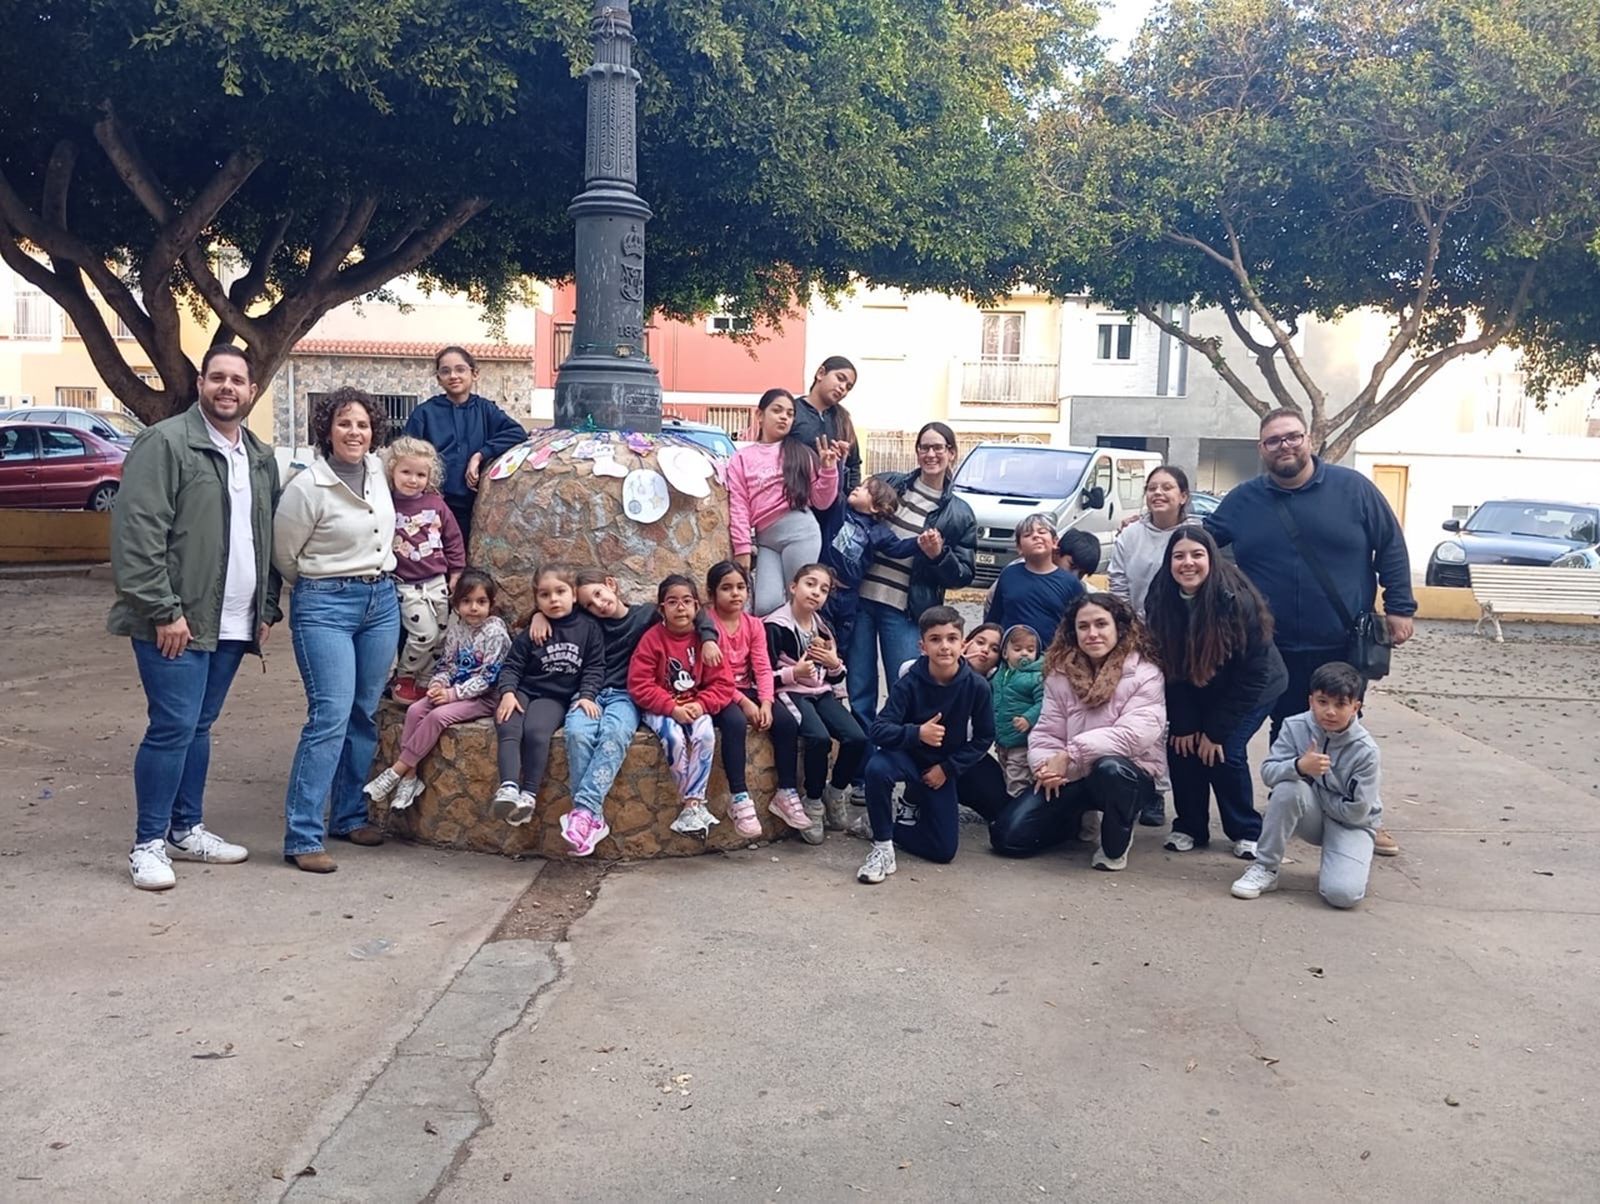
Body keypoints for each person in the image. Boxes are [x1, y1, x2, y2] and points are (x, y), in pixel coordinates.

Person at [1205, 406, 1415, 857]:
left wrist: (1400, 606)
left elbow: (1391, 546)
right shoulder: (1243, 500)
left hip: (1340, 643)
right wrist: (1150, 526)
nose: (1285, 446)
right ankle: (1291, 814)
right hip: (1269, 648)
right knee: (1287, 735)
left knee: (1345, 730)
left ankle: (1363, 818)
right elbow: (1201, 544)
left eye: (1292, 437)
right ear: (1262, 450)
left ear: (1309, 440)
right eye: (1273, 441)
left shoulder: (1353, 489)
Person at [109, 344, 281, 891]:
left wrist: (265, 607)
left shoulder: (258, 455)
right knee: (173, 727)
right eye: (217, 378)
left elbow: (267, 536)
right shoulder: (164, 443)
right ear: (201, 384)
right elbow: (137, 536)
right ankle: (148, 844)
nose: (227, 387)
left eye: (238, 380)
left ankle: (186, 829)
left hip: (232, 620)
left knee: (199, 727)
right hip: (176, 620)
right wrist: (163, 610)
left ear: (252, 391)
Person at [274, 387, 401, 872]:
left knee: (362, 713)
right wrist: (324, 584)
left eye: (364, 424)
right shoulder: (308, 487)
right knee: (328, 716)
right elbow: (285, 554)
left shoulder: (376, 472)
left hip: (381, 600)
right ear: (327, 429)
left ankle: (348, 816)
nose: (355, 432)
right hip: (325, 604)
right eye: (345, 423)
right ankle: (303, 835)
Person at [988, 593, 1167, 871]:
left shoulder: (1144, 673)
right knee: (1008, 837)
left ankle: (1117, 835)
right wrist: (1046, 768)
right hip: (1071, 775)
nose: (1092, 633)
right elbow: (1046, 730)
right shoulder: (1060, 673)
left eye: (1101, 624)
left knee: (1111, 769)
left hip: (1126, 775)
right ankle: (1069, 823)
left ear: (1118, 627)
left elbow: (1134, 734)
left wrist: (1069, 754)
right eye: (1083, 626)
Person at [846, 421, 977, 791]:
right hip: (861, 600)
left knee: (908, 690)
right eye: (925, 447)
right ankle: (862, 774)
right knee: (860, 690)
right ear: (916, 451)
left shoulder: (959, 513)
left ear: (952, 453)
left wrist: (939, 556)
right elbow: (854, 511)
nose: (931, 454)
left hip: (905, 610)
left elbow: (963, 575)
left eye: (939, 447)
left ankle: (903, 773)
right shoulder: (891, 484)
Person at [551, 570, 719, 856]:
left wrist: (709, 637)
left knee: (613, 734)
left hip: (624, 696)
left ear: (611, 584)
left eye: (599, 595)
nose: (598, 605)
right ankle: (589, 815)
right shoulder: (588, 623)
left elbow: (690, 610)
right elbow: (556, 613)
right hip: (587, 694)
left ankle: (583, 813)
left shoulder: (645, 617)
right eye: (589, 604)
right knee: (578, 733)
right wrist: (538, 617)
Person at [1144, 525, 1287, 858]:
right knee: (1182, 746)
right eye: (1178, 556)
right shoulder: (1161, 596)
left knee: (1225, 752)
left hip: (1252, 686)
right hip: (1192, 683)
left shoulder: (1238, 599)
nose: (1187, 563)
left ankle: (1246, 830)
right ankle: (1189, 826)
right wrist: (1184, 723)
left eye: (1197, 555)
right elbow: (1167, 664)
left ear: (1211, 558)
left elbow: (1253, 672)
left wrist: (1217, 730)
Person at [856, 606, 996, 884]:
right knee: (877, 767)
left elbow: (984, 737)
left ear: (963, 643)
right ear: (922, 646)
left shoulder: (977, 687)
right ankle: (882, 847)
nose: (944, 646)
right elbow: (879, 730)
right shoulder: (908, 683)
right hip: (906, 759)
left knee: (943, 851)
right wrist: (917, 733)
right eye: (935, 639)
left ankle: (881, 825)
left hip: (940, 770)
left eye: (952, 638)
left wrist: (947, 768)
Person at [1232, 662, 1381, 907]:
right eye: (1323, 702)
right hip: (1313, 816)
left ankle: (1347, 859)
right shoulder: (1294, 726)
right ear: (1311, 701)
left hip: (1351, 824)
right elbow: (1269, 773)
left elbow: (1357, 811)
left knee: (1342, 895)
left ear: (1356, 707)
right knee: (1287, 787)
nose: (1330, 712)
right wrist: (1299, 767)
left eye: (1340, 704)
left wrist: (1318, 792)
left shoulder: (1366, 751)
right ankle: (1265, 868)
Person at [365, 569, 511, 812]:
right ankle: (410, 779)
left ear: (491, 604)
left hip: (485, 697)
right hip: (454, 691)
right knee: (415, 710)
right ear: (456, 604)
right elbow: (447, 664)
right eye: (466, 601)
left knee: (437, 716)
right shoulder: (457, 629)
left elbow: (490, 677)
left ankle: (396, 772)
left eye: (481, 602)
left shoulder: (496, 633)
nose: (473, 608)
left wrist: (452, 695)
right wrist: (438, 684)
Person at [492, 565, 605, 830]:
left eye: (560, 592)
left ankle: (528, 796)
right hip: (524, 689)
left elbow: (594, 666)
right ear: (536, 599)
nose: (553, 599)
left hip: (554, 696)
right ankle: (508, 788)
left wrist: (588, 694)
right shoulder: (533, 630)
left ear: (574, 595)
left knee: (536, 732)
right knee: (508, 724)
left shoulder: (589, 628)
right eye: (544, 595)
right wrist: (507, 693)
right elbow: (512, 666)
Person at [628, 575, 739, 837]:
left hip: (695, 704)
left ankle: (691, 806)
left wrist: (702, 705)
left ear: (696, 607)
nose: (680, 607)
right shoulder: (652, 640)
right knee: (674, 738)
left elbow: (724, 684)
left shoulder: (706, 642)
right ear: (661, 609)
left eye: (687, 601)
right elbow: (639, 684)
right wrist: (671, 708)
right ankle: (693, 804)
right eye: (673, 602)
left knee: (706, 735)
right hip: (661, 707)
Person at [765, 564, 865, 840]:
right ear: (793, 587)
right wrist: (792, 673)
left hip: (820, 692)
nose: (816, 593)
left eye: (824, 589)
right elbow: (761, 675)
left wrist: (834, 665)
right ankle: (813, 801)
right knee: (818, 738)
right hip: (790, 692)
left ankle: (835, 793)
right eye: (810, 584)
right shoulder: (776, 626)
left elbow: (834, 676)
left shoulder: (823, 627)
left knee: (858, 738)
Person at [726, 388, 841, 615]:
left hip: (800, 533)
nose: (784, 417)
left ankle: (803, 649)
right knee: (764, 607)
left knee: (799, 603)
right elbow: (738, 505)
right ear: (760, 415)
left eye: (789, 414)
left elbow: (822, 502)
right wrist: (742, 549)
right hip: (766, 540)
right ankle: (770, 650)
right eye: (777, 411)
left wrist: (829, 469)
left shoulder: (801, 453)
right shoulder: (741, 458)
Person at [403, 346, 528, 546]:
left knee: (465, 562)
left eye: (460, 369)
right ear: (438, 378)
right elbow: (406, 453)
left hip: (473, 506)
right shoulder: (424, 413)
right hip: (432, 504)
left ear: (474, 374)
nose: (453, 376)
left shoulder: (485, 410)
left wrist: (480, 454)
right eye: (445, 371)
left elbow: (516, 432)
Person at [383, 436, 466, 702]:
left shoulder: (436, 505)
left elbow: (453, 539)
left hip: (436, 581)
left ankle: (424, 681)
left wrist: (456, 573)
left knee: (440, 636)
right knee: (423, 634)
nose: (412, 479)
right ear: (392, 471)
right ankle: (404, 676)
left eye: (420, 474)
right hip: (405, 583)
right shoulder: (386, 505)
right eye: (406, 472)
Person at [706, 562, 779, 839]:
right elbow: (715, 673)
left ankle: (787, 791)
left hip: (747, 689)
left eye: (741, 587)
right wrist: (745, 704)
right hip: (717, 690)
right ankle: (739, 796)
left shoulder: (754, 625)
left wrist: (766, 703)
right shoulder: (708, 625)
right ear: (712, 593)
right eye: (726, 588)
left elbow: (762, 666)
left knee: (784, 722)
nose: (735, 594)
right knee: (735, 722)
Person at [818, 476, 921, 649]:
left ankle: (835, 666)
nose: (857, 488)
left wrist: (919, 542)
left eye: (866, 488)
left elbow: (898, 548)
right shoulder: (841, 509)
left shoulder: (878, 532)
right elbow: (836, 483)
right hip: (825, 589)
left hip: (848, 593)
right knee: (819, 627)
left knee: (843, 636)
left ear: (875, 507)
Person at [984, 513, 1085, 640]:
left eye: (1042, 532)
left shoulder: (1070, 583)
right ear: (1019, 547)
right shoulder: (1009, 575)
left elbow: (1079, 625)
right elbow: (994, 619)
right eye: (1027, 535)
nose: (1036, 536)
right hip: (1011, 655)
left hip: (1052, 655)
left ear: (1055, 542)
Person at [1108, 465, 1191, 617]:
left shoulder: (1195, 536)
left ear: (1183, 497)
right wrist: (1130, 623)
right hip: (1137, 628)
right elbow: (1118, 585)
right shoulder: (1129, 535)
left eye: (1167, 488)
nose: (1158, 493)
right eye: (1152, 488)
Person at [787, 355, 862, 493]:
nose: (843, 388)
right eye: (840, 378)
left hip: (832, 506)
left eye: (848, 387)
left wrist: (848, 497)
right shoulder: (791, 411)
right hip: (793, 502)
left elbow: (854, 465)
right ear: (821, 373)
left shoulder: (843, 420)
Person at [990, 625, 1045, 799]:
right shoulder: (999, 675)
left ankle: (1018, 815)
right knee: (1006, 774)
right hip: (1002, 741)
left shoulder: (1036, 677)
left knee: (1018, 780)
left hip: (1022, 741)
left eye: (1030, 650)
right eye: (1017, 649)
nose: (1024, 654)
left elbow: (1044, 703)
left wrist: (1028, 718)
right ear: (1005, 654)